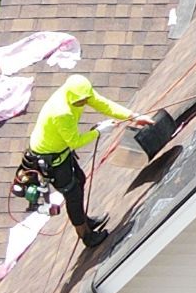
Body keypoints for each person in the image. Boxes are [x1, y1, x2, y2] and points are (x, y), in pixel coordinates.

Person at [27, 74, 138, 244]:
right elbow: (75, 142)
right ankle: (85, 235)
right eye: (81, 100)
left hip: (61, 151)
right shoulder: (62, 112)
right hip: (52, 159)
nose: (84, 102)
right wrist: (99, 131)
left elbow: (103, 104)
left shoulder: (79, 93)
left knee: (80, 179)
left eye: (86, 98)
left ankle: (85, 221)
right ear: (72, 97)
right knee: (73, 194)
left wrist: (134, 116)